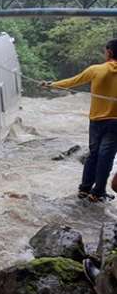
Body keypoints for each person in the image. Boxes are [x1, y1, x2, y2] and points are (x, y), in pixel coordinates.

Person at [43, 38, 117, 202]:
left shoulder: (96, 70)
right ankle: (97, 193)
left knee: (94, 155)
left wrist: (51, 85)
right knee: (106, 157)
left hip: (97, 121)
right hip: (115, 123)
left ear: (109, 52)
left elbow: (73, 81)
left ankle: (84, 189)